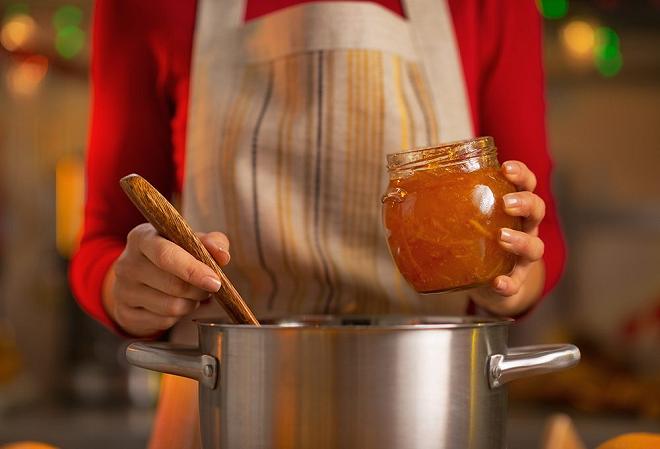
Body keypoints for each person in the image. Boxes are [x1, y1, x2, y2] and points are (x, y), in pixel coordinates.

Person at [70, 0, 566, 447]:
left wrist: (510, 274)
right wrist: (131, 289)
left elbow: (540, 243)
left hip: (427, 410)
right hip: (221, 412)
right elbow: (103, 242)